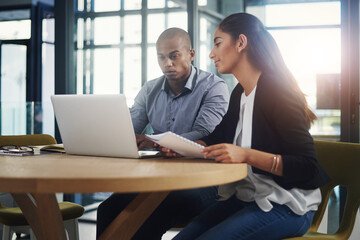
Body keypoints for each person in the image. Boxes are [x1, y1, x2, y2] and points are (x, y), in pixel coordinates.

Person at [172, 13, 330, 240]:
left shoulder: (278, 92)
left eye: (217, 43)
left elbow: (307, 166)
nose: (211, 54)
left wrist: (246, 155)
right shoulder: (239, 92)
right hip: (248, 198)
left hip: (287, 205)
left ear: (241, 43)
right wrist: (184, 147)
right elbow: (218, 137)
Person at [96, 27, 229, 239]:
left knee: (144, 217)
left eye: (174, 56)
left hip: (202, 181)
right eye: (161, 57)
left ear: (191, 54)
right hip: (157, 178)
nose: (167, 63)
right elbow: (130, 128)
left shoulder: (213, 87)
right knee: (107, 210)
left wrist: (154, 142)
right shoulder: (150, 89)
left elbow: (205, 133)